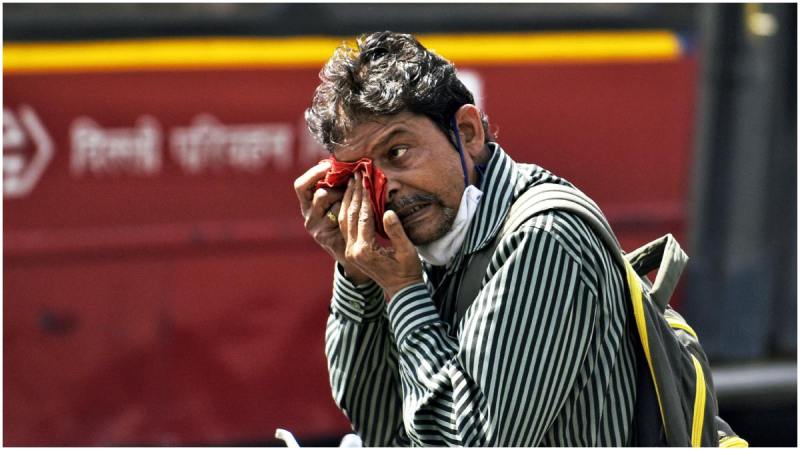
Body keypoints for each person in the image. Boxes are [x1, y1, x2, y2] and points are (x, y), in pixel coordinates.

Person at [293, 31, 637, 446]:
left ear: (468, 132)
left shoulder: (543, 237)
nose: (387, 188)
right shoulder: (433, 236)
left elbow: (475, 441)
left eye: (397, 152)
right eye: (361, 174)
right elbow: (381, 428)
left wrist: (403, 293)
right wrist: (357, 275)